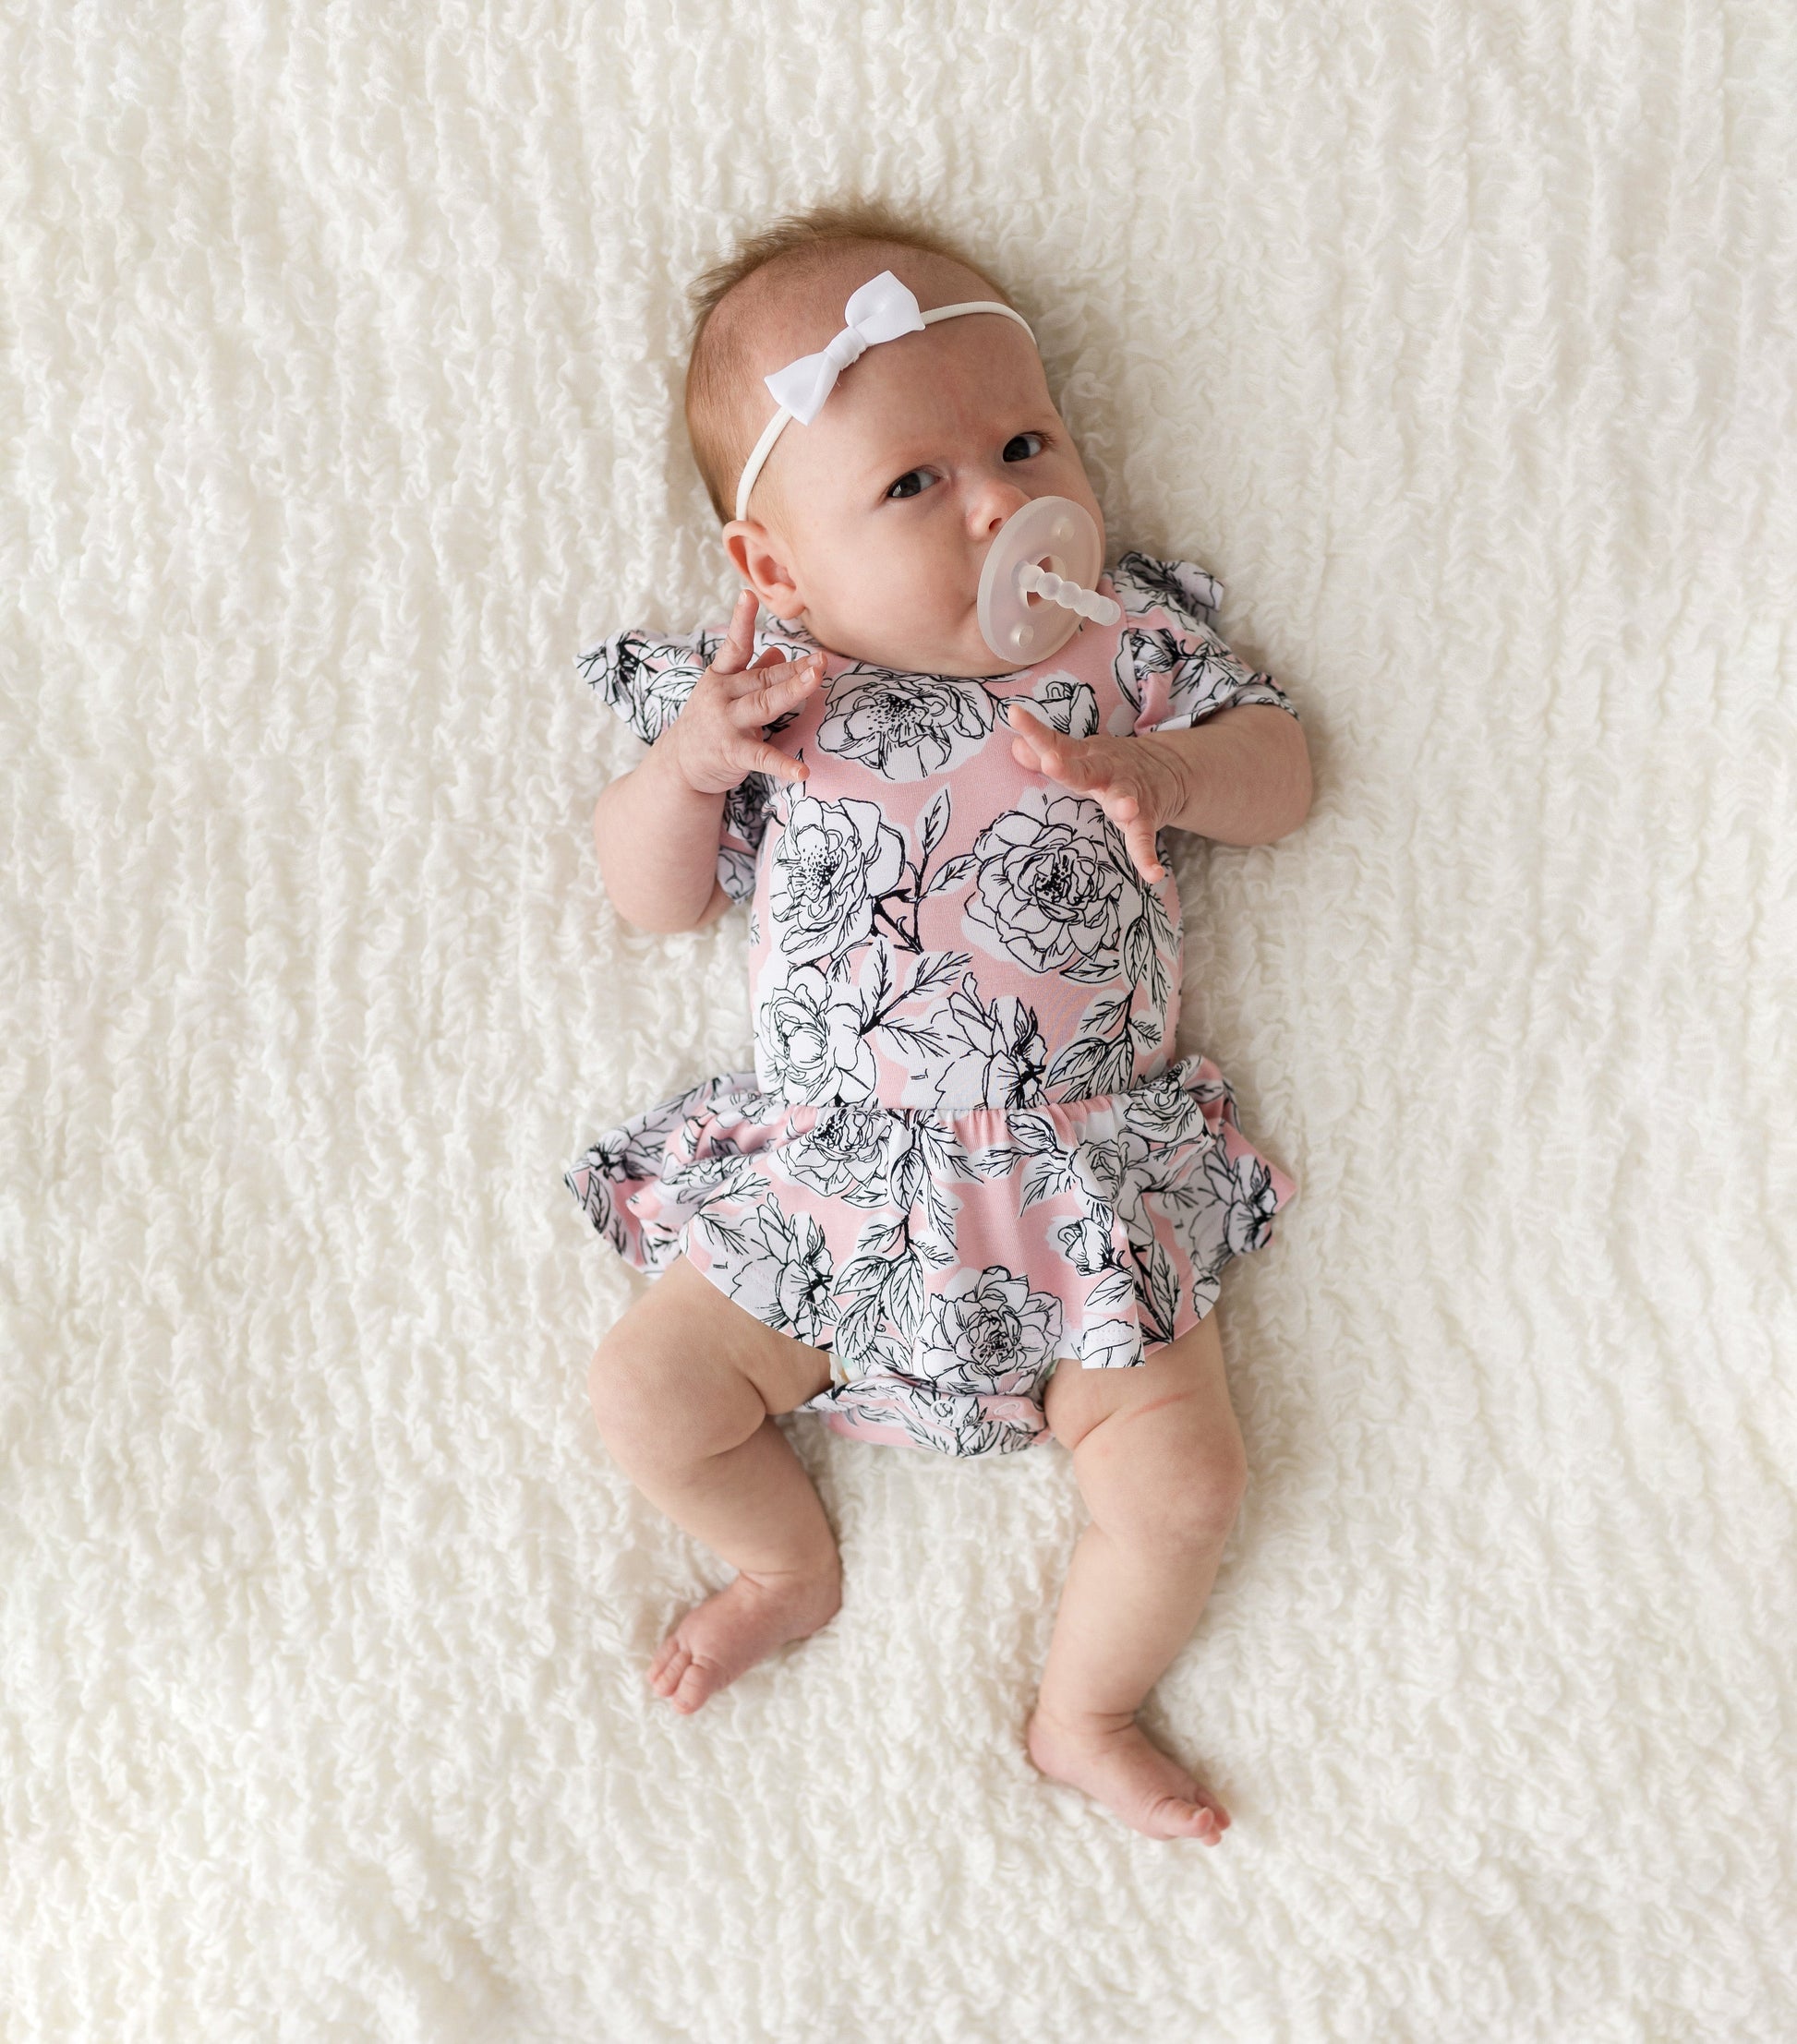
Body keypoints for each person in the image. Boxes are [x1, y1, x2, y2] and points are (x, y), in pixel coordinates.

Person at [566, 203, 1311, 1843]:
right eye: (912, 483)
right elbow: (649, 898)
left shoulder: (1119, 653)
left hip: (1077, 1185)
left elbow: (1285, 773)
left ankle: (1082, 1707)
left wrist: (1172, 773)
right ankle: (784, 1562)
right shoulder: (772, 696)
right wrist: (684, 771)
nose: (997, 503)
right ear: (777, 569)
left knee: (1183, 1481)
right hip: (831, 1186)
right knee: (645, 1394)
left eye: (1025, 444)